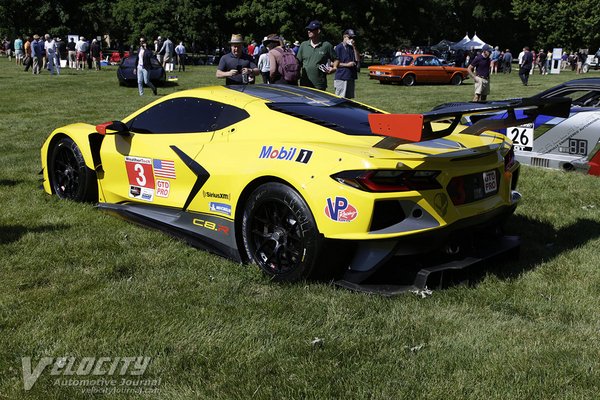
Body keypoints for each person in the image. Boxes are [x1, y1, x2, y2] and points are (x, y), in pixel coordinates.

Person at [296, 20, 337, 91]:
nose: (309, 31)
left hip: (319, 84)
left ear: (318, 31)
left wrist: (334, 68)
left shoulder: (326, 45)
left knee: (318, 102)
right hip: (305, 83)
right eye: (308, 29)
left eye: (311, 29)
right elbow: (298, 62)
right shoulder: (303, 45)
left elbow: (336, 59)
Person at [333, 29, 359, 99]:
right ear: (344, 37)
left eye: (352, 38)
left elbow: (357, 59)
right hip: (341, 77)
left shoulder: (351, 47)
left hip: (350, 76)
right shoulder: (338, 48)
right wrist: (347, 65)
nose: (351, 40)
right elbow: (333, 63)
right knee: (340, 98)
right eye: (350, 37)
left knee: (349, 100)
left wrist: (354, 47)